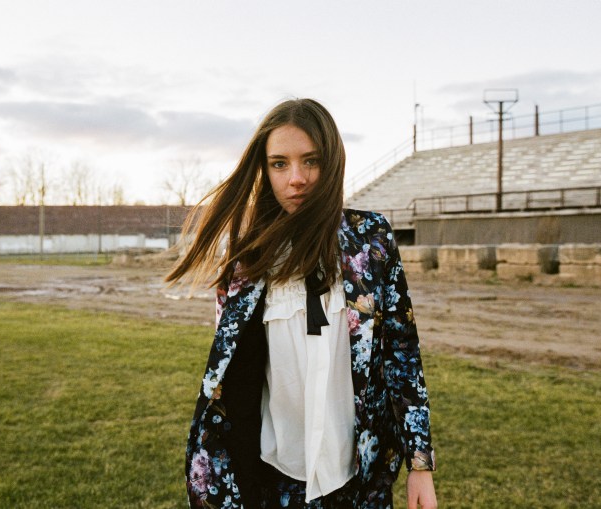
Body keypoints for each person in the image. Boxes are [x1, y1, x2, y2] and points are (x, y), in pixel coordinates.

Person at [166, 98, 436, 509]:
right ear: (264, 169)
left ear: (333, 162)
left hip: (355, 480)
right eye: (280, 164)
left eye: (310, 161)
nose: (296, 179)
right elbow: (234, 373)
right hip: (274, 478)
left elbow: (402, 355)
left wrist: (420, 466)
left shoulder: (371, 240)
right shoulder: (247, 256)